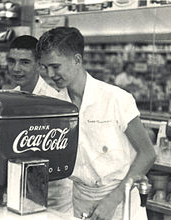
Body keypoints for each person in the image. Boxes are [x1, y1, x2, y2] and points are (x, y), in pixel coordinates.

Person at [36, 27, 156, 220]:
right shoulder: (56, 105)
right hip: (81, 199)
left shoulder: (115, 98)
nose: (50, 74)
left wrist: (113, 200)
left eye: (55, 66)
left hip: (120, 200)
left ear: (77, 60)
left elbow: (148, 154)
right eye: (45, 67)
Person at [5, 35, 73, 214]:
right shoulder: (9, 100)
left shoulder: (55, 102)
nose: (16, 69)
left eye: (25, 62)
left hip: (53, 199)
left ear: (39, 65)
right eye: (12, 61)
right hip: (19, 193)